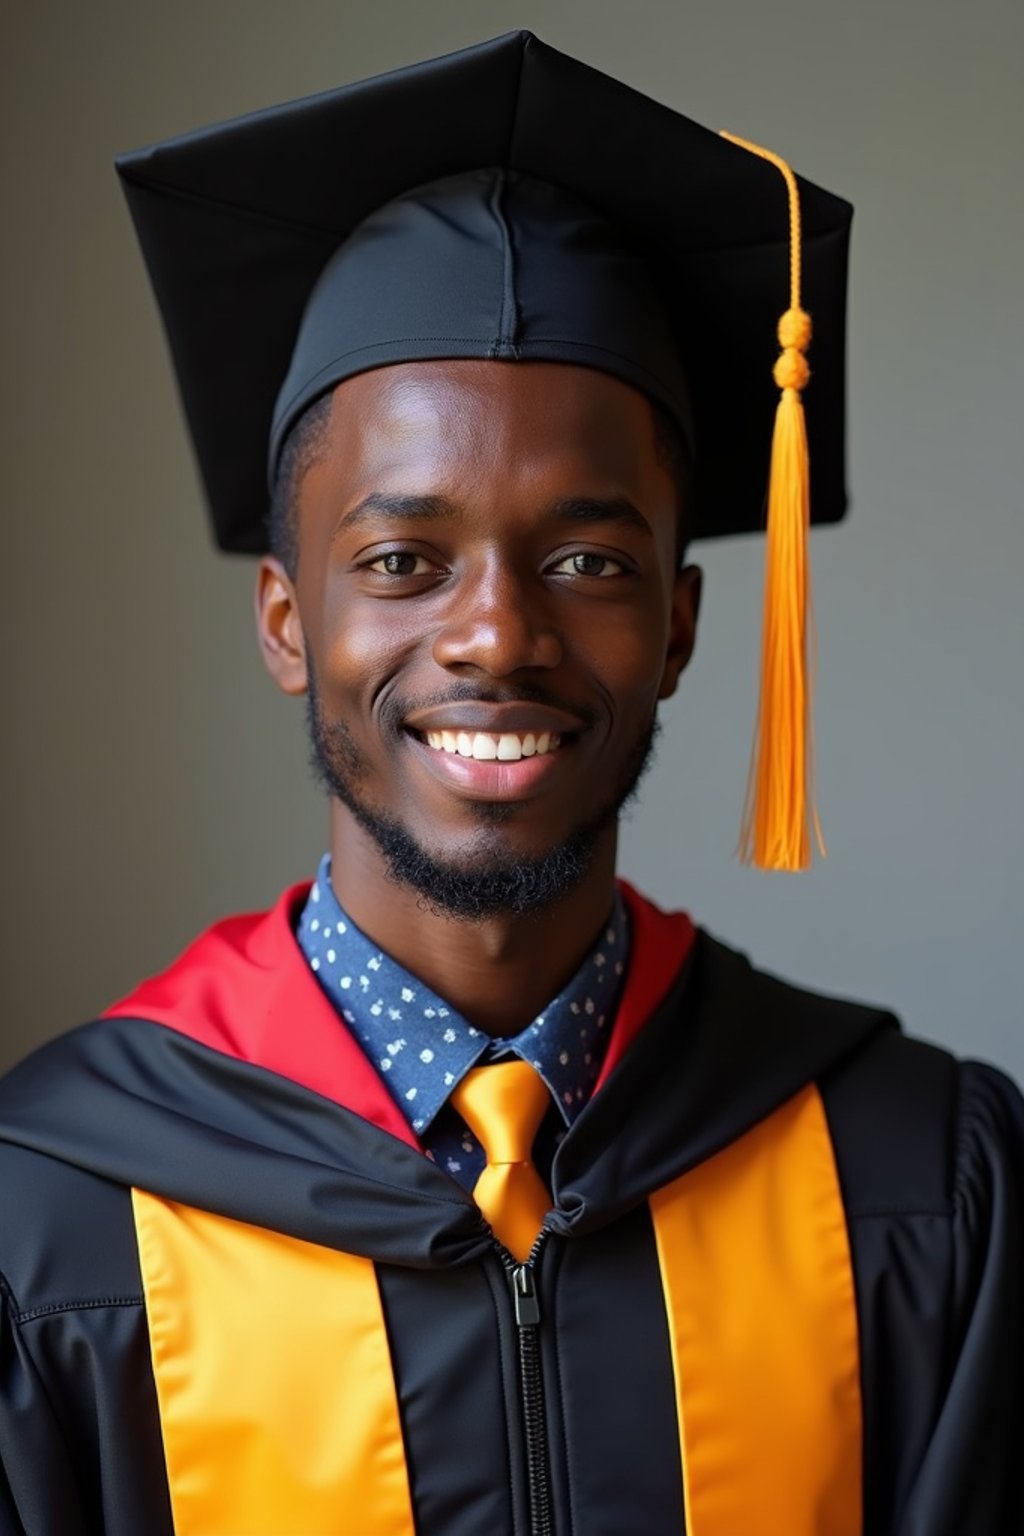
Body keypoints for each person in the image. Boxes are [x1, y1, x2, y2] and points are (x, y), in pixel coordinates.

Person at [0, 30, 1020, 1536]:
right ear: (291, 623)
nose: (495, 632)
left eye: (589, 561)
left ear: (678, 626)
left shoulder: (914, 1178)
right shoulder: (51, 1217)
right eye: (402, 562)